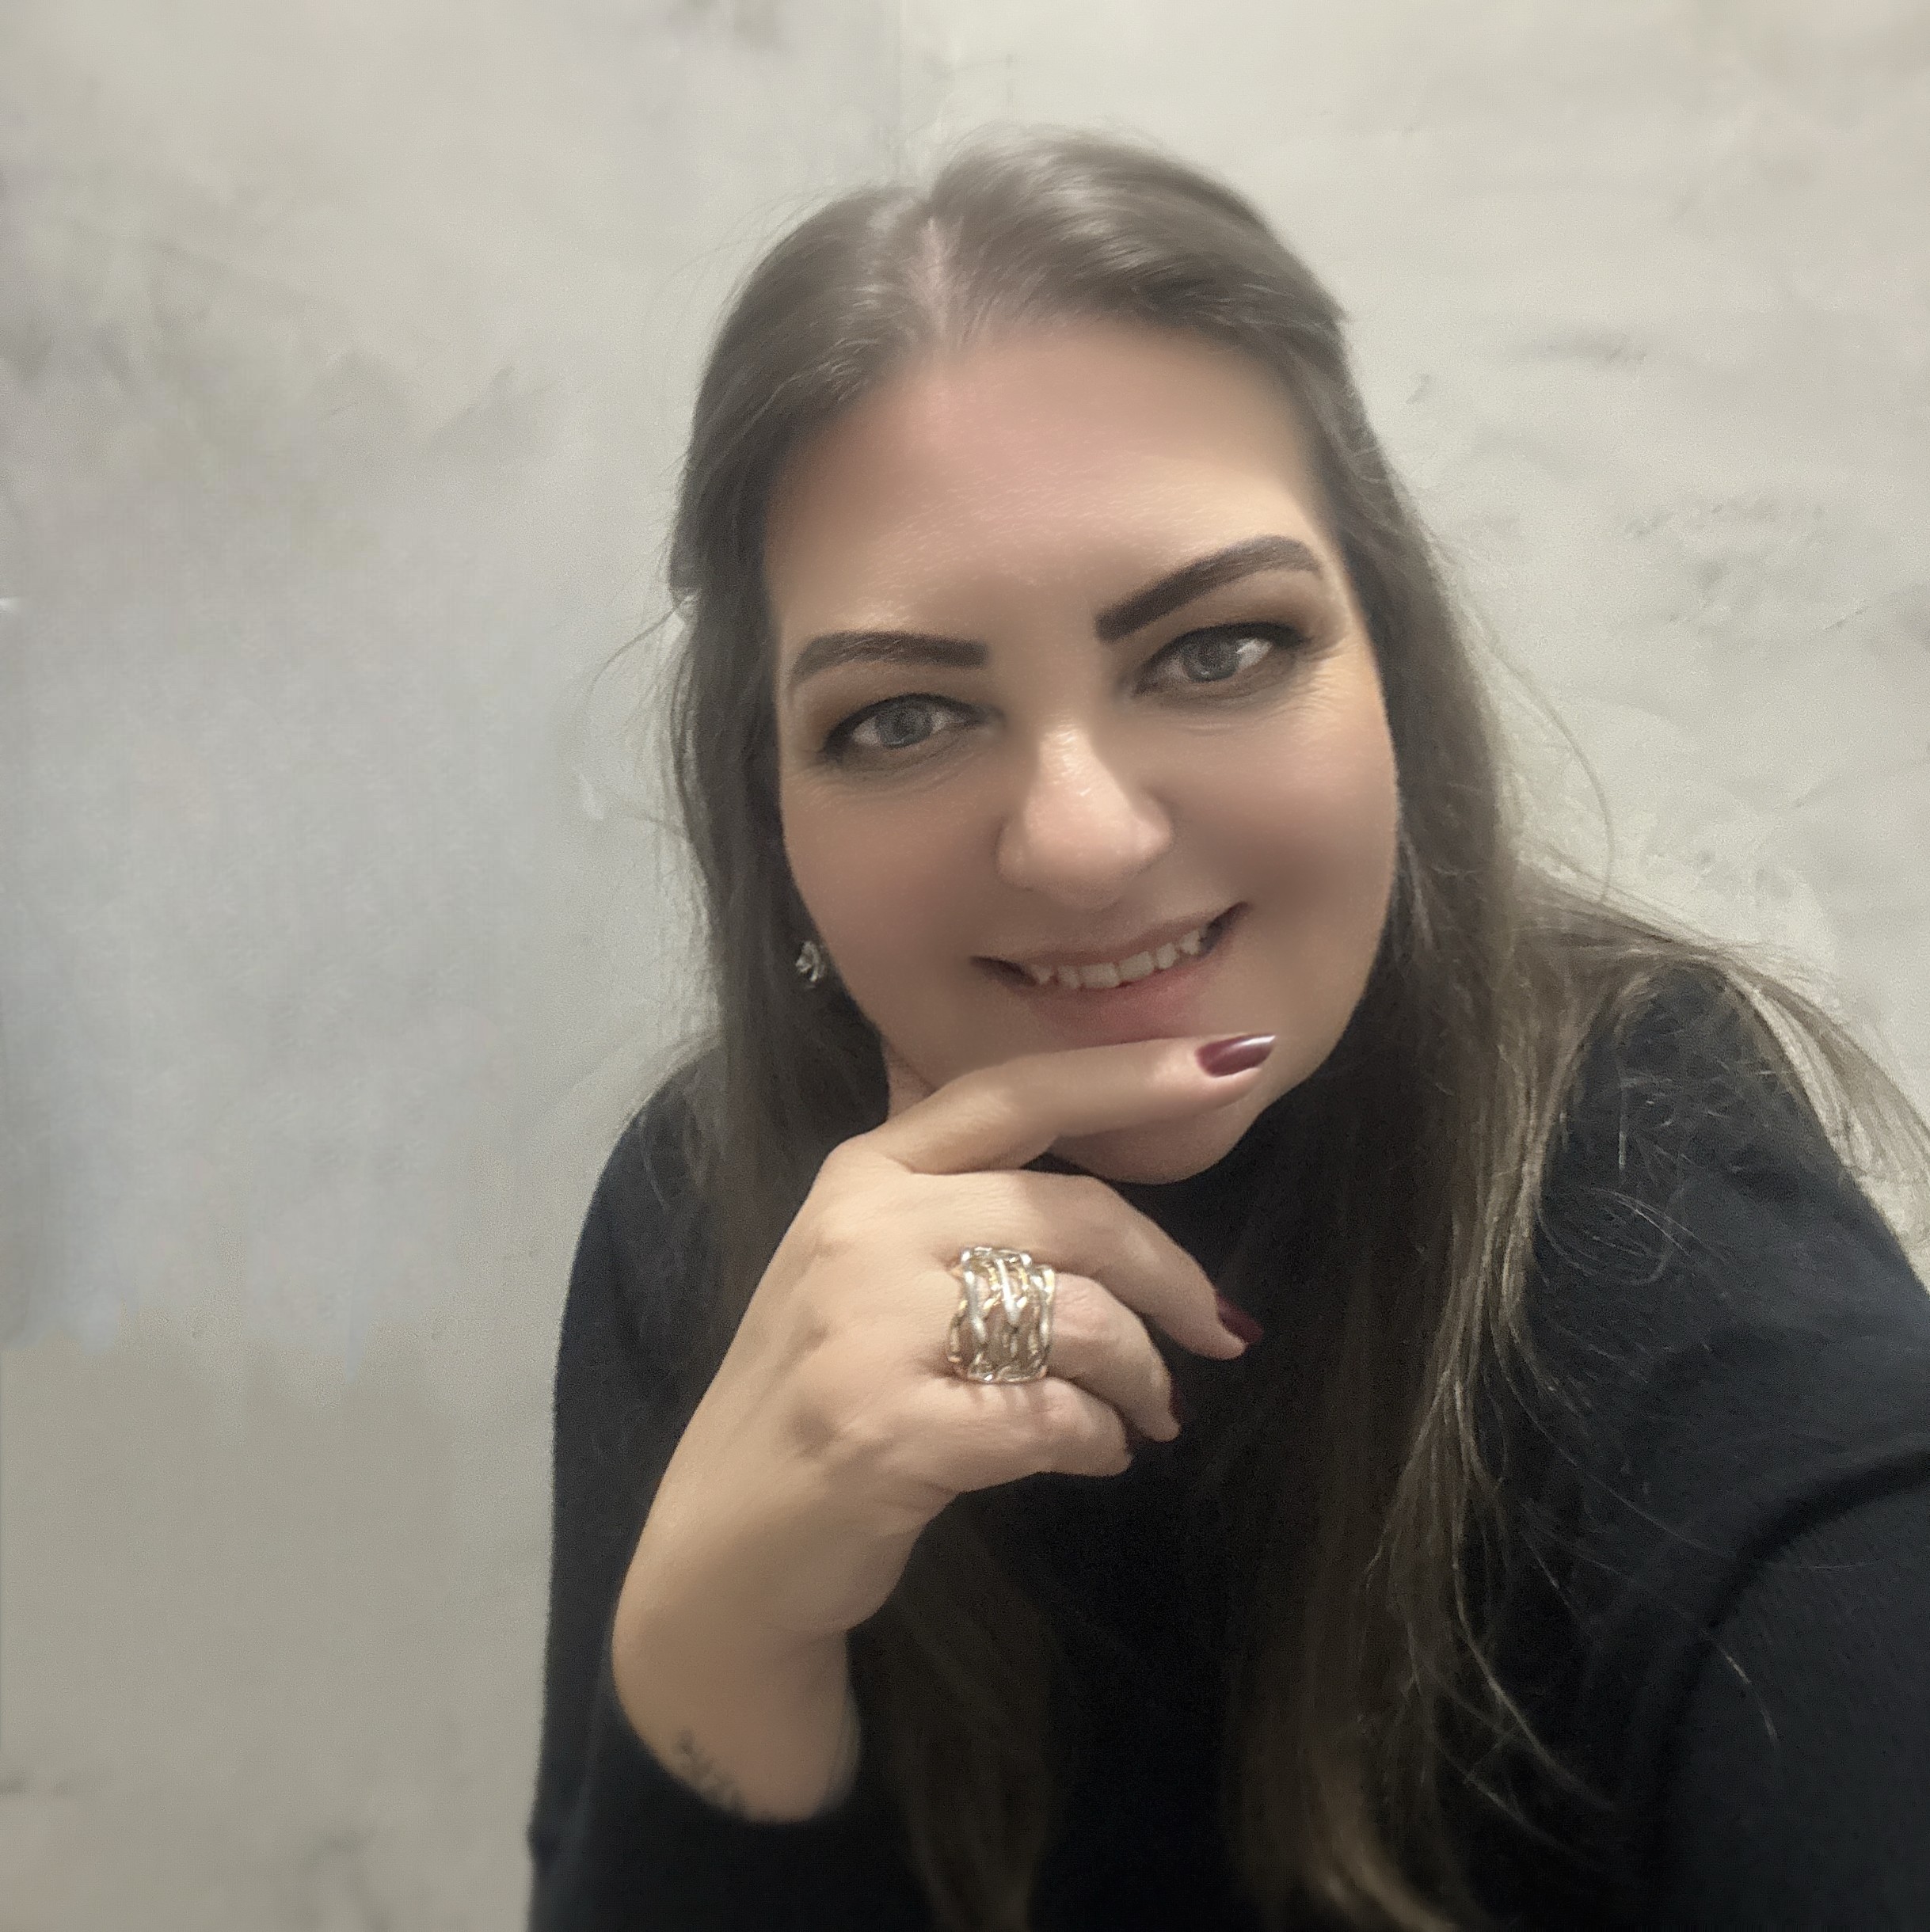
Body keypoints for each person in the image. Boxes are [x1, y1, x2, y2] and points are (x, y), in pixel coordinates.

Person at [524, 128, 1930, 1931]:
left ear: (1389, 675)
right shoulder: (699, 1207)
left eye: (1214, 650)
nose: (1085, 841)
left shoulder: (1641, 1164)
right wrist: (721, 1625)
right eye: (903, 718)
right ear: (772, 818)